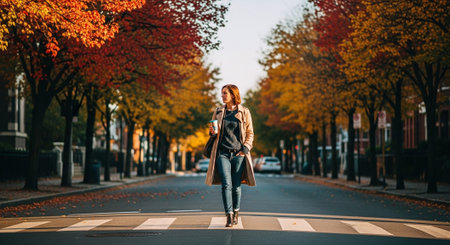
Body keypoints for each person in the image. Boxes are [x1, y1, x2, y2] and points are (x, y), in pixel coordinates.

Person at [205, 84, 255, 227]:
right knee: (226, 184)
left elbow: (250, 133)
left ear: (233, 95)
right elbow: (214, 133)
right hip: (222, 153)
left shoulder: (244, 112)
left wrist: (245, 149)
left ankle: (236, 212)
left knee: (236, 186)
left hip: (239, 154)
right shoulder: (219, 112)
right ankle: (229, 215)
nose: (222, 96)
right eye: (222, 93)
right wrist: (212, 132)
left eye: (225, 93)